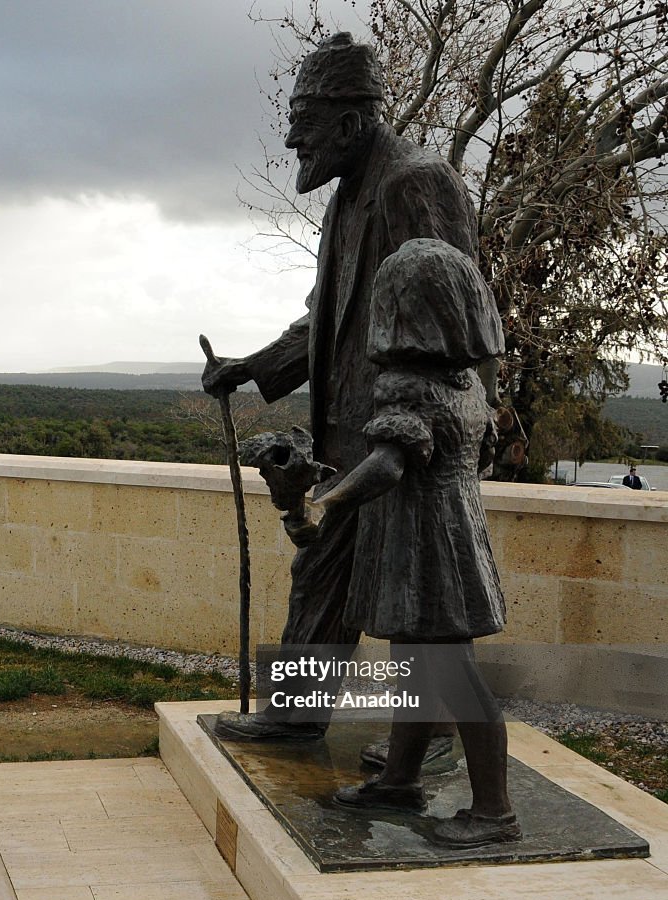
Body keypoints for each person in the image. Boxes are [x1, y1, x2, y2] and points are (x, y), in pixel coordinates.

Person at [204, 33, 482, 744]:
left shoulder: (416, 182)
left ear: (351, 125)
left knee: (415, 609)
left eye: (305, 130)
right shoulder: (348, 193)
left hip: (405, 438)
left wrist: (427, 425)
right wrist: (252, 366)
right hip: (348, 434)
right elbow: (323, 319)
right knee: (321, 575)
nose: (296, 145)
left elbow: (458, 310)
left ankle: (429, 751)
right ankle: (296, 717)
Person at [317, 238, 519, 848]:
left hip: (425, 540)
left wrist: (325, 502)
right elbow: (475, 458)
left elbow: (386, 466)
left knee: (451, 671)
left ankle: (494, 811)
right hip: (458, 530)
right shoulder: (469, 385)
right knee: (416, 662)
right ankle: (401, 777)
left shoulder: (406, 386)